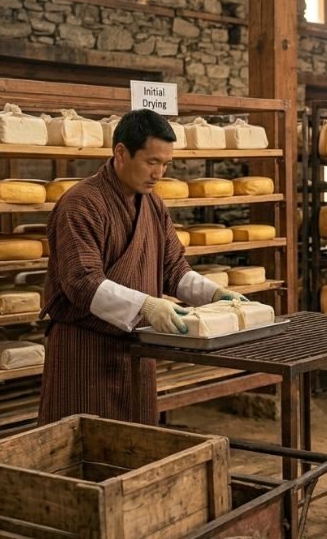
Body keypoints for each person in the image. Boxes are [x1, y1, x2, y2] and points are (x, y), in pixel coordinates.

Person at [38, 109, 246, 425]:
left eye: (165, 164)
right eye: (152, 162)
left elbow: (173, 268)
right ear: (120, 152)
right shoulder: (80, 204)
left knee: (138, 447)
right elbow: (81, 281)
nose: (159, 173)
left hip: (137, 348)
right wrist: (147, 305)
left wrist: (215, 294)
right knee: (81, 449)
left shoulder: (153, 204)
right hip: (85, 351)